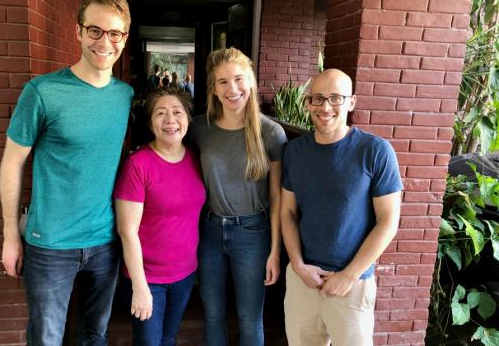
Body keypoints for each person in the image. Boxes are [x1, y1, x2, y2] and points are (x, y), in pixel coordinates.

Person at [0, 0, 133, 344]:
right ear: (78, 31)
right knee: (46, 338)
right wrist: (11, 236)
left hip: (105, 242)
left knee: (94, 335)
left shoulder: (125, 96)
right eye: (94, 30)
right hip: (49, 245)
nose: (105, 42)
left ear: (125, 38)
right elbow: (12, 164)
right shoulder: (42, 92)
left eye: (115, 34)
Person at [280, 68, 402, 346]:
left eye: (336, 98)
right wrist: (298, 266)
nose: (325, 107)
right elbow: (287, 211)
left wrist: (349, 275)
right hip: (303, 280)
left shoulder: (375, 151)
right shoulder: (295, 151)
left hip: (352, 284)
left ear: (351, 102)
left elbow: (388, 221)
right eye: (318, 98)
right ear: (308, 102)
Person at [191, 47, 287, 346]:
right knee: (213, 314)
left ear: (251, 82)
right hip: (209, 231)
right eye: (222, 82)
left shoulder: (271, 133)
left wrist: (274, 251)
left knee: (249, 318)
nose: (232, 89)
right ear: (213, 89)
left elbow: (277, 198)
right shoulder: (198, 128)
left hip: (253, 233)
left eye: (238, 79)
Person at [114, 87, 206, 346]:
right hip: (148, 277)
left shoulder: (196, 159)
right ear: (150, 122)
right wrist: (140, 287)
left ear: (188, 119)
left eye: (177, 112)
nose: (170, 120)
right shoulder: (138, 165)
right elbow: (127, 231)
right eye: (160, 113)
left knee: (168, 339)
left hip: (185, 274)